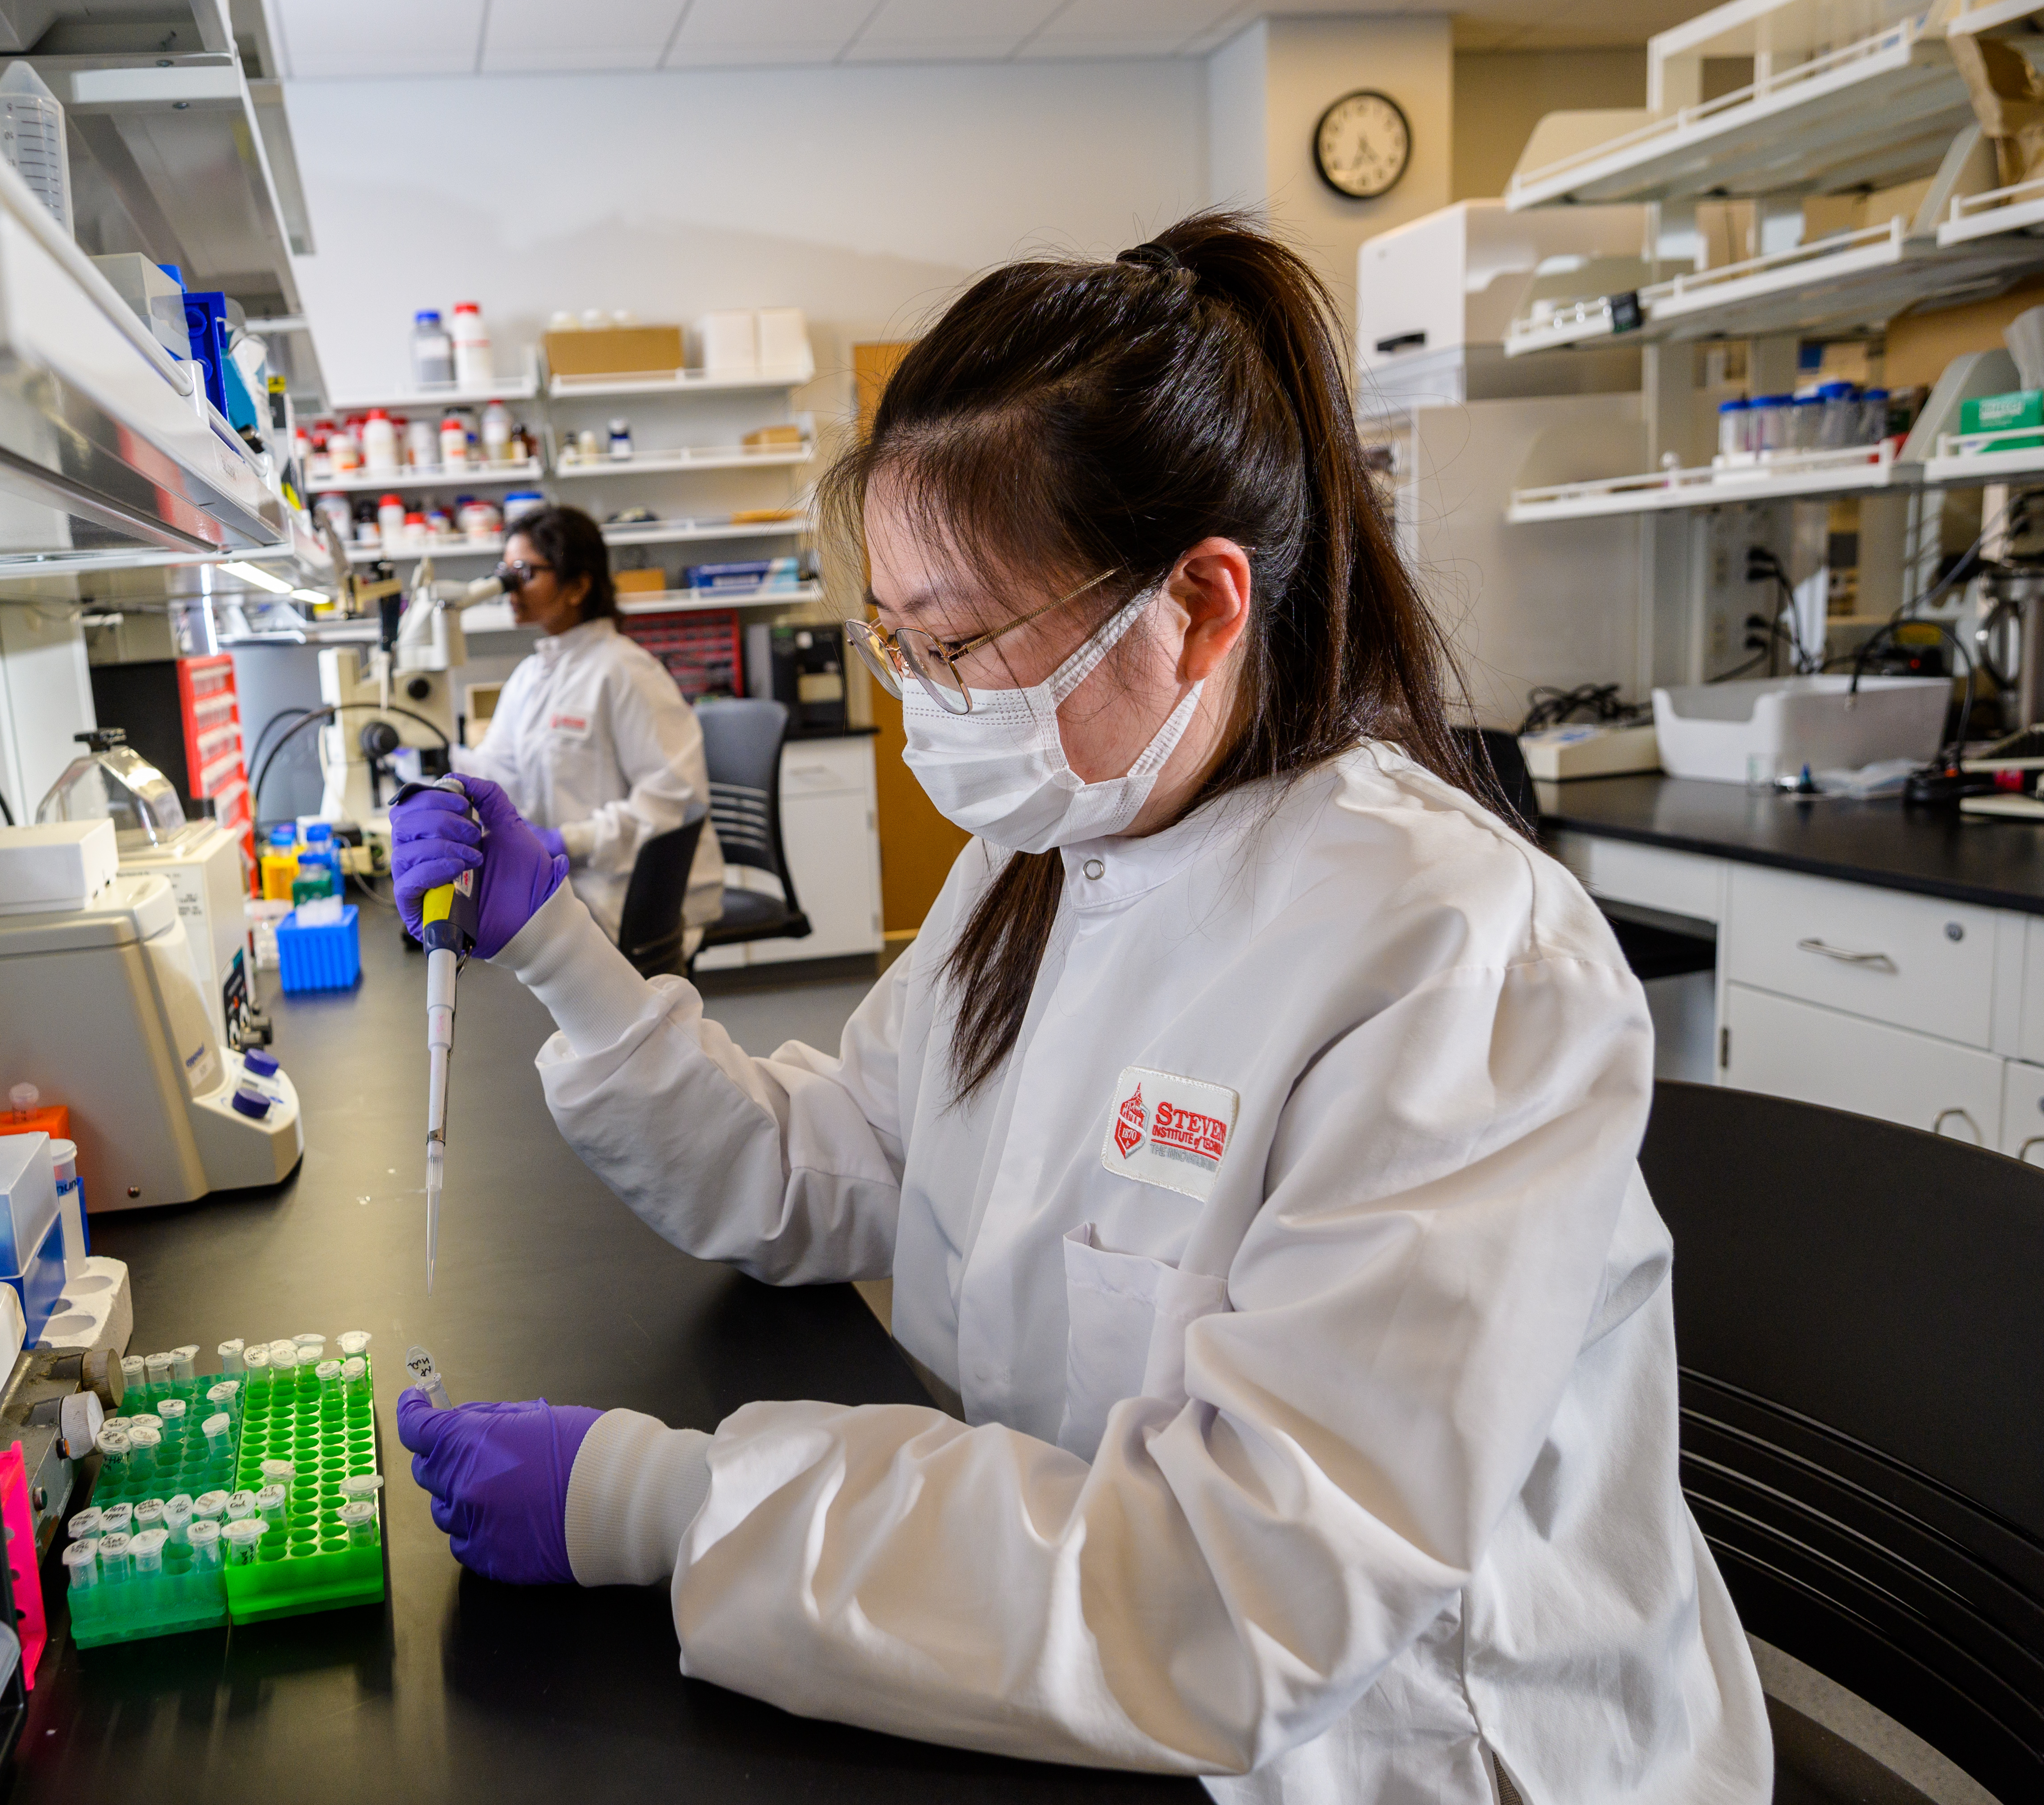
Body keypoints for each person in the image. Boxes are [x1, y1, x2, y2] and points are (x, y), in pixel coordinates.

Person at [386, 214, 1770, 1804]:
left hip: (1405, 1758)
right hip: (1087, 1682)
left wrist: (677, 1503)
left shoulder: (1447, 960)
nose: (924, 698)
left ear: (1197, 600)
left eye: (961, 639)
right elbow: (828, 1161)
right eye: (895, 641)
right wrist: (556, 948)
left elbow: (1243, 1595)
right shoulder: (1038, 858)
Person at [448, 503, 722, 947]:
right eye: (505, 570)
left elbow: (671, 801)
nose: (509, 587)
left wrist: (567, 840)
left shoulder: (626, 671)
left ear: (577, 586)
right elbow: (497, 773)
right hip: (559, 890)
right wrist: (436, 767)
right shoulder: (529, 677)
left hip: (619, 897)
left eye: (525, 571)